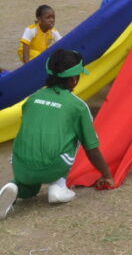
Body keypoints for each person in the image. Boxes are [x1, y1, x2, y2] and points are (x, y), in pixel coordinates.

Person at [0, 49, 114, 220]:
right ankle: (58, 186)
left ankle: (14, 186)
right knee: (74, 134)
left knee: (30, 182)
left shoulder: (32, 98)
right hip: (52, 167)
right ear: (74, 79)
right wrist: (107, 175)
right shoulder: (78, 107)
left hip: (19, 163)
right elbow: (91, 149)